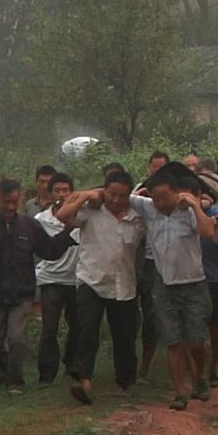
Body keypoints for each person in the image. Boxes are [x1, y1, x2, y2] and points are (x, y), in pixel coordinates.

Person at [0, 178, 77, 393]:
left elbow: (50, 252)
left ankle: (15, 382)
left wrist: (68, 232)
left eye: (14, 203)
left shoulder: (29, 225)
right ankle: (7, 368)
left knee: (17, 339)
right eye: (6, 202)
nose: (10, 207)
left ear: (20, 200)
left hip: (22, 293)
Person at [56, 171, 146, 405]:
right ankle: (85, 380)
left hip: (124, 284)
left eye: (122, 196)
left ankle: (125, 382)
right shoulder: (91, 212)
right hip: (91, 280)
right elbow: (63, 215)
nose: (116, 200)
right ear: (104, 191)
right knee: (87, 331)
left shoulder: (138, 218)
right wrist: (86, 194)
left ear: (129, 195)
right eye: (111, 194)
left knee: (124, 335)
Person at [129, 172, 217, 411]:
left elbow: (209, 232)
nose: (160, 203)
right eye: (155, 198)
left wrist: (197, 206)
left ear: (177, 193)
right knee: (173, 341)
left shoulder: (187, 212)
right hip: (164, 285)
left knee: (196, 340)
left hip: (194, 284)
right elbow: (120, 197)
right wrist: (141, 193)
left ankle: (199, 378)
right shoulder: (147, 208)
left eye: (165, 197)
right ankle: (180, 392)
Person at [33, 173, 82, 385]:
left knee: (78, 326)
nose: (61, 194)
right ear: (50, 194)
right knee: (49, 329)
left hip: (77, 279)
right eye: (57, 190)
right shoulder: (41, 220)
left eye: (66, 190)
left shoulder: (82, 217)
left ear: (72, 192)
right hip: (50, 279)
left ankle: (72, 364)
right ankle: (46, 375)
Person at [191, 176, 218, 389]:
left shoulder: (216, 213)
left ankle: (214, 364)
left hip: (214, 276)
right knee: (194, 327)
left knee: (215, 326)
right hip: (191, 277)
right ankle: (198, 370)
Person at [135, 150, 169, 381]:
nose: (157, 172)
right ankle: (145, 365)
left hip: (174, 263)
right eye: (154, 168)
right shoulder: (141, 192)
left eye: (162, 168)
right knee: (150, 313)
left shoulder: (174, 191)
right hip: (148, 262)